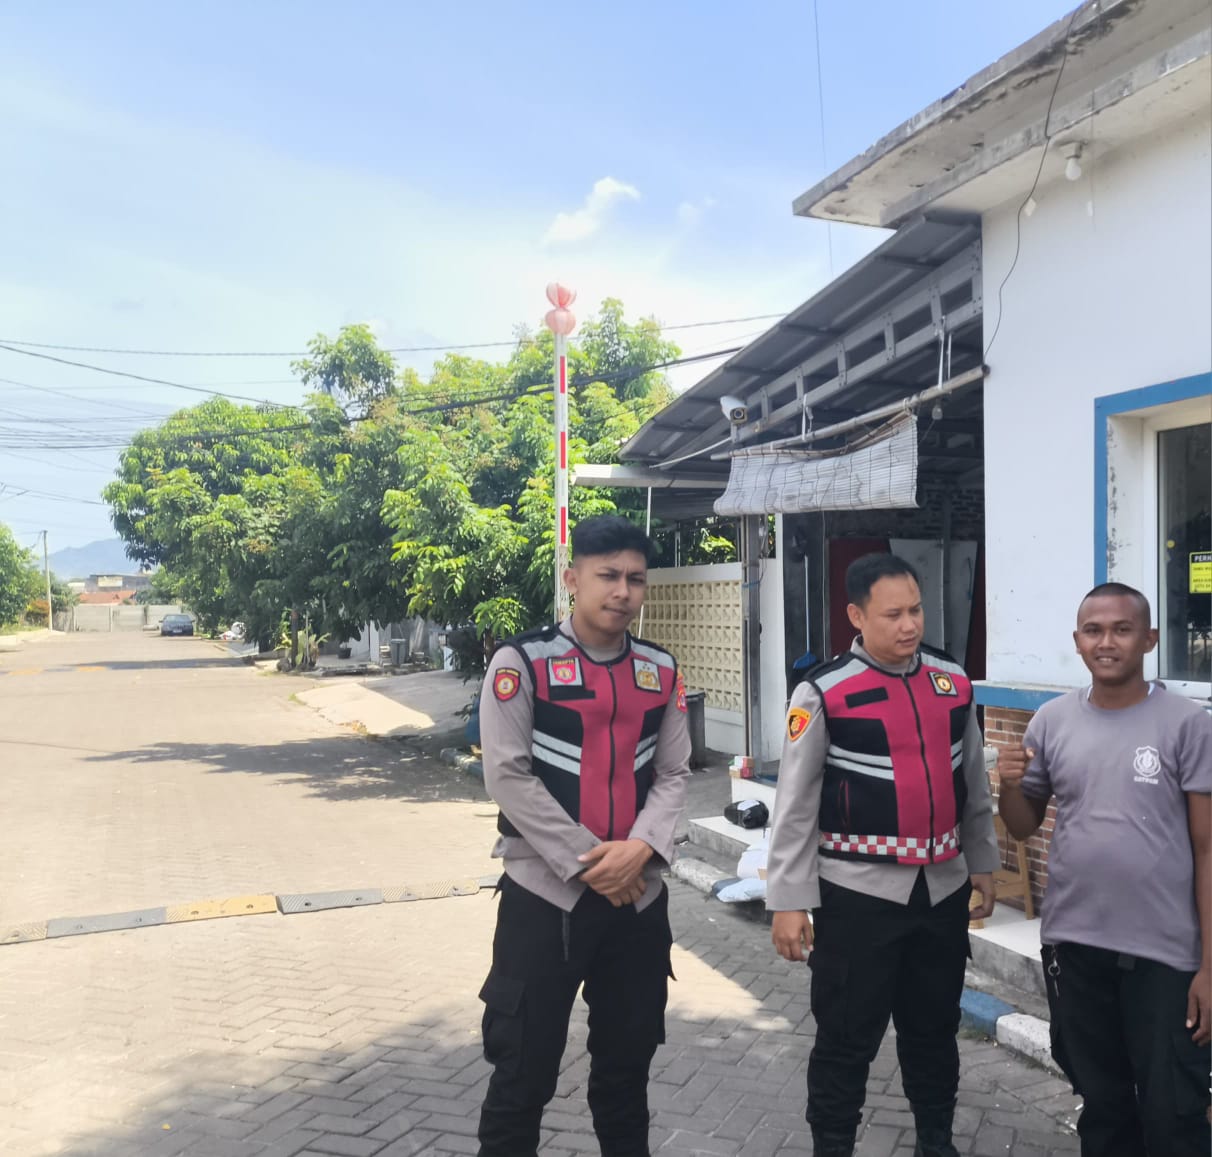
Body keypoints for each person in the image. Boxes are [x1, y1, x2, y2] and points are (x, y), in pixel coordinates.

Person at [767, 552, 998, 1157]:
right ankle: (833, 1145)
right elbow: (794, 805)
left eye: (915, 610)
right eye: (892, 614)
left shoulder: (952, 683)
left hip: (941, 893)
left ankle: (935, 1141)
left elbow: (972, 781)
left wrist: (982, 862)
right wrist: (788, 901)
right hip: (857, 898)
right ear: (856, 616)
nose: (909, 625)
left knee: (935, 1031)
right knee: (847, 1039)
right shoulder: (824, 692)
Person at [475, 514, 691, 1157]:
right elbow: (507, 776)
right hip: (545, 901)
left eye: (635, 579)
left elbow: (675, 773)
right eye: (608, 576)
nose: (622, 591)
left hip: (638, 905)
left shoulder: (660, 669)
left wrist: (641, 850)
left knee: (626, 1078)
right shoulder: (523, 662)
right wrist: (592, 863)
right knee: (521, 1075)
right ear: (572, 579)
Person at [997, 582, 1212, 1157]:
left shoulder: (1187, 723)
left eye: (1122, 629)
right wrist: (1009, 785)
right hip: (1075, 947)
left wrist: (1209, 966)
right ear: (1077, 640)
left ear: (1150, 639)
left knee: (1174, 1114)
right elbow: (1022, 825)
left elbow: (1207, 849)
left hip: (1166, 956)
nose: (1107, 642)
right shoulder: (1051, 721)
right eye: (1093, 631)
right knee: (1104, 1107)